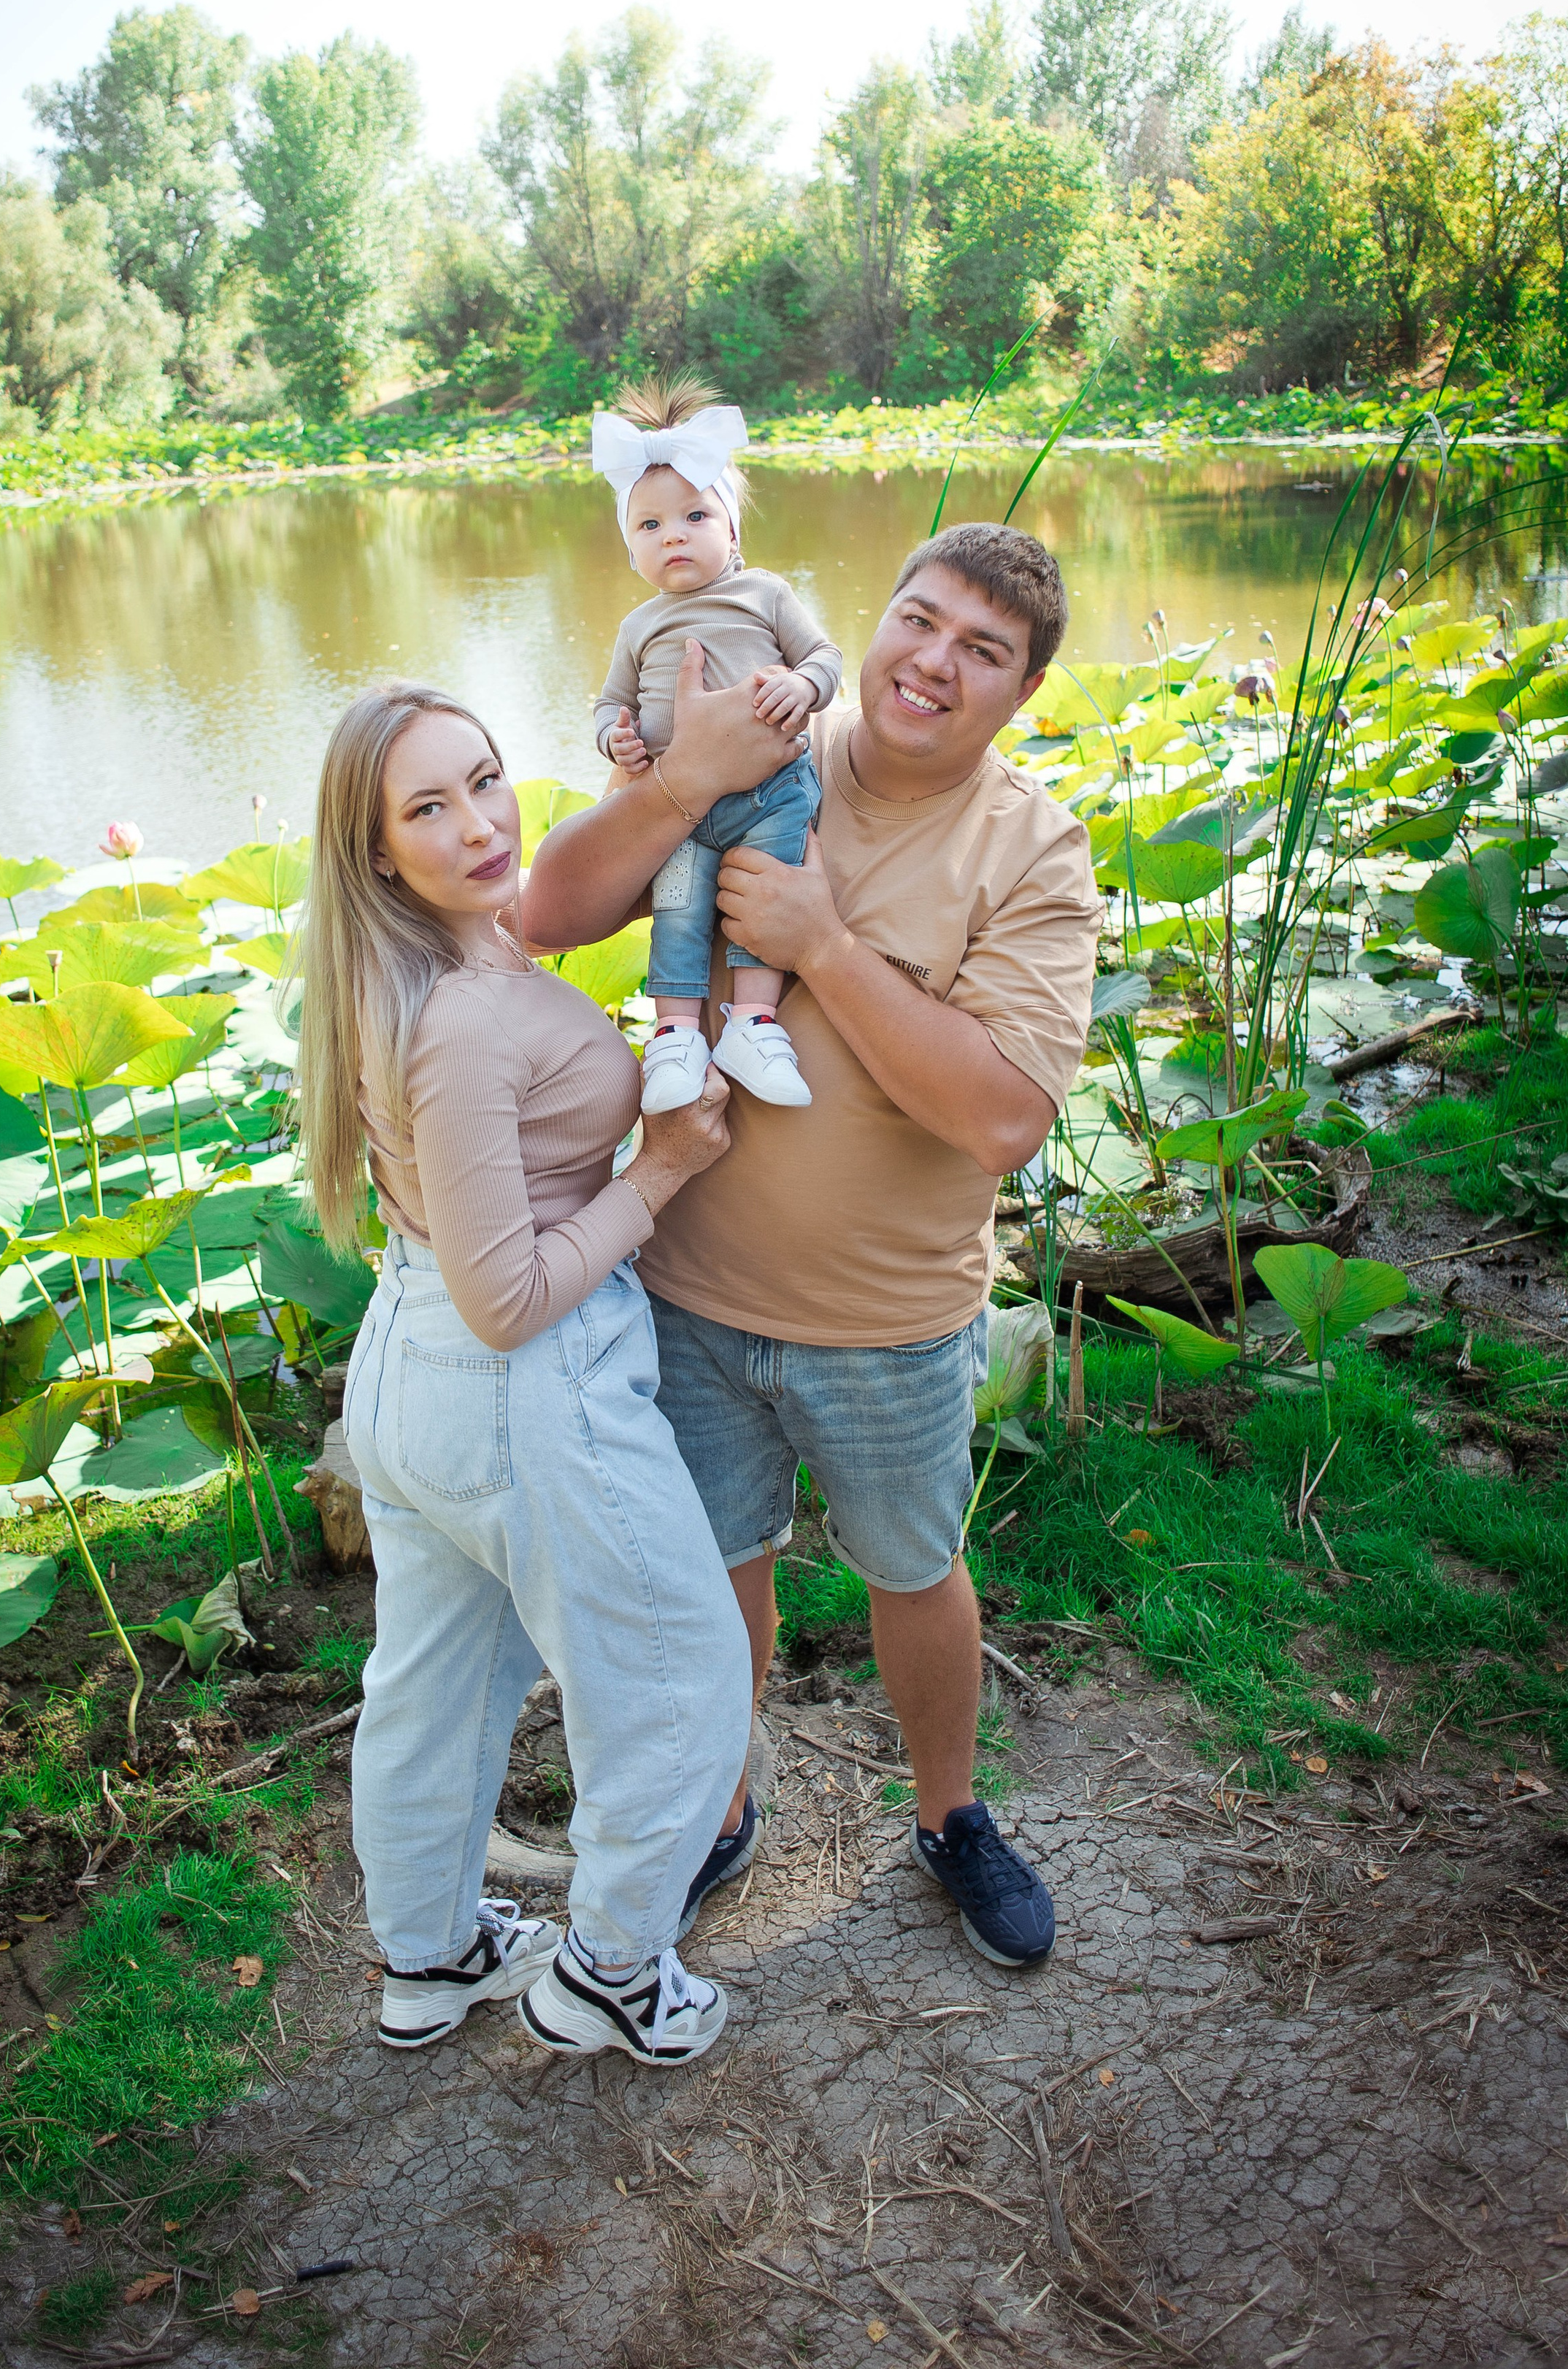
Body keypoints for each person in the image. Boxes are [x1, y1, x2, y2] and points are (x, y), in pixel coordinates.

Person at [523, 523, 1103, 1969]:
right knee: (720, 1566)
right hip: (689, 1289)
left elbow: (999, 1122)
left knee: (913, 1566)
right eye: (919, 620)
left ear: (1020, 691)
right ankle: (720, 1804)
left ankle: (949, 1812)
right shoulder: (758, 732)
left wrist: (825, 945)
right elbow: (549, 913)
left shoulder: (1029, 849)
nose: (932, 663)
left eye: (982, 650)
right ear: (877, 618)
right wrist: (674, 777)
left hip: (888, 1314)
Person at [296, 683, 754, 2067]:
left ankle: (429, 1955)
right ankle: (612, 1971)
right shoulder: (465, 1021)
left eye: (486, 779)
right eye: (428, 806)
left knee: (433, 1687)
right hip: (521, 1386)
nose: (482, 821)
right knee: (681, 1677)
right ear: (377, 850)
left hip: (405, 1372)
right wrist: (659, 1176)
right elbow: (510, 1302)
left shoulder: (407, 972)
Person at [592, 374, 842, 1116]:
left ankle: (752, 1023)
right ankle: (674, 1034)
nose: (673, 534)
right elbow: (609, 702)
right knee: (678, 909)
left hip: (772, 795)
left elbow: (824, 659)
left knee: (765, 902)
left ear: (730, 528)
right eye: (649, 525)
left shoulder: (764, 592)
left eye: (695, 515)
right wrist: (617, 737)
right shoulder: (637, 628)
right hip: (679, 809)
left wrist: (802, 689)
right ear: (631, 549)